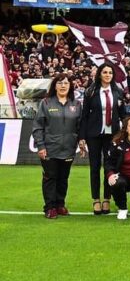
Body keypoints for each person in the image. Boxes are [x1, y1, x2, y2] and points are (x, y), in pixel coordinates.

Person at [32, 74, 82, 219]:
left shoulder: (77, 104)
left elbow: (80, 127)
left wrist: (81, 141)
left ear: (70, 86)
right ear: (55, 86)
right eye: (60, 83)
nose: (63, 85)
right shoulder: (46, 103)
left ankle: (60, 204)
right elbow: (37, 127)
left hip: (68, 148)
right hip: (49, 148)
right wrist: (41, 146)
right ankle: (49, 207)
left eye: (66, 83)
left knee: (63, 178)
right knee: (50, 177)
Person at [79, 63, 124, 215]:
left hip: (113, 135)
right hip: (94, 134)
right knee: (95, 167)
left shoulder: (118, 91)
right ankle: (95, 200)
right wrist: (82, 137)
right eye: (104, 72)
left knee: (109, 167)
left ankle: (107, 199)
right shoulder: (91, 91)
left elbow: (123, 114)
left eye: (110, 72)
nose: (107, 75)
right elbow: (84, 116)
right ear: (99, 74)